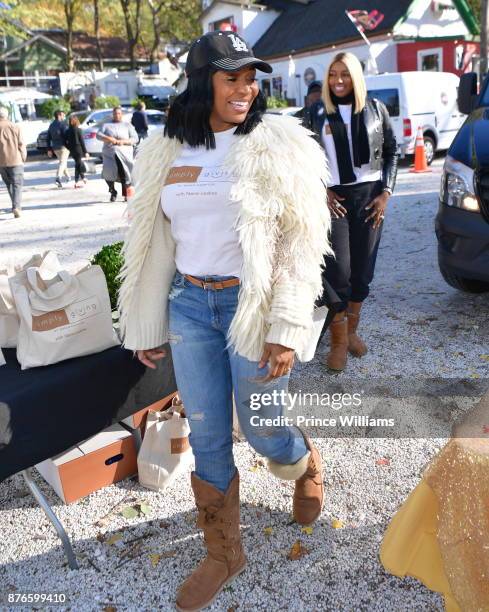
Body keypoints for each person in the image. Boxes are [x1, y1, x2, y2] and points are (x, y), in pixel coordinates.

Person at [118, 31, 331, 612]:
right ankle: (223, 552)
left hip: (252, 306)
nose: (245, 89)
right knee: (208, 433)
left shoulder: (276, 142)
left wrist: (286, 327)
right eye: (231, 77)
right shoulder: (166, 148)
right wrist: (143, 324)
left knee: (261, 426)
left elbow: (299, 243)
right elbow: (149, 240)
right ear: (201, 81)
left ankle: (302, 457)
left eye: (250, 78)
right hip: (190, 304)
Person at [305, 52, 397, 372]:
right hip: (334, 199)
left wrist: (386, 193)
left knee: (363, 271)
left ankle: (352, 333)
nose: (338, 81)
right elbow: (301, 159)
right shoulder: (316, 112)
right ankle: (338, 342)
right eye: (332, 74)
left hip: (370, 197)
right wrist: (322, 189)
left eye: (344, 74)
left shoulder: (376, 110)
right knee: (338, 272)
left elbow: (391, 153)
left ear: (355, 77)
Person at [97, 107, 138, 202]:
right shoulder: (106, 125)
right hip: (109, 153)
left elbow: (135, 138)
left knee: (124, 173)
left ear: (121, 114)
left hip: (124, 153)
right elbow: (98, 135)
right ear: (113, 114)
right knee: (108, 173)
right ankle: (112, 191)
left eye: (119, 113)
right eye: (115, 114)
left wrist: (123, 142)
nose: (117, 115)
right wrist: (108, 139)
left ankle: (126, 194)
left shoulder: (127, 125)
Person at [0, 106, 26, 218]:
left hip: (1, 162)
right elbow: (21, 144)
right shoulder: (15, 127)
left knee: (9, 184)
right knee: (17, 184)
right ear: (7, 115)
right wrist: (23, 157)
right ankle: (16, 207)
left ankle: (15, 205)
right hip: (16, 160)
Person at [47, 110, 70, 188]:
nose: (64, 116)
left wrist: (49, 149)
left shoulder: (51, 125)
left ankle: (68, 177)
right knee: (63, 163)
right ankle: (58, 177)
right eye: (63, 115)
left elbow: (48, 138)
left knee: (62, 162)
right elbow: (67, 135)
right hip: (64, 147)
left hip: (55, 148)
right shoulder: (63, 124)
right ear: (59, 115)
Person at [64, 115, 89, 188]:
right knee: (77, 165)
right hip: (78, 149)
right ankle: (76, 181)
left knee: (78, 164)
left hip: (72, 150)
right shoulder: (78, 130)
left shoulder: (67, 131)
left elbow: (64, 142)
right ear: (76, 121)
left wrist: (69, 147)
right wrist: (85, 152)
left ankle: (83, 178)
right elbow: (82, 142)